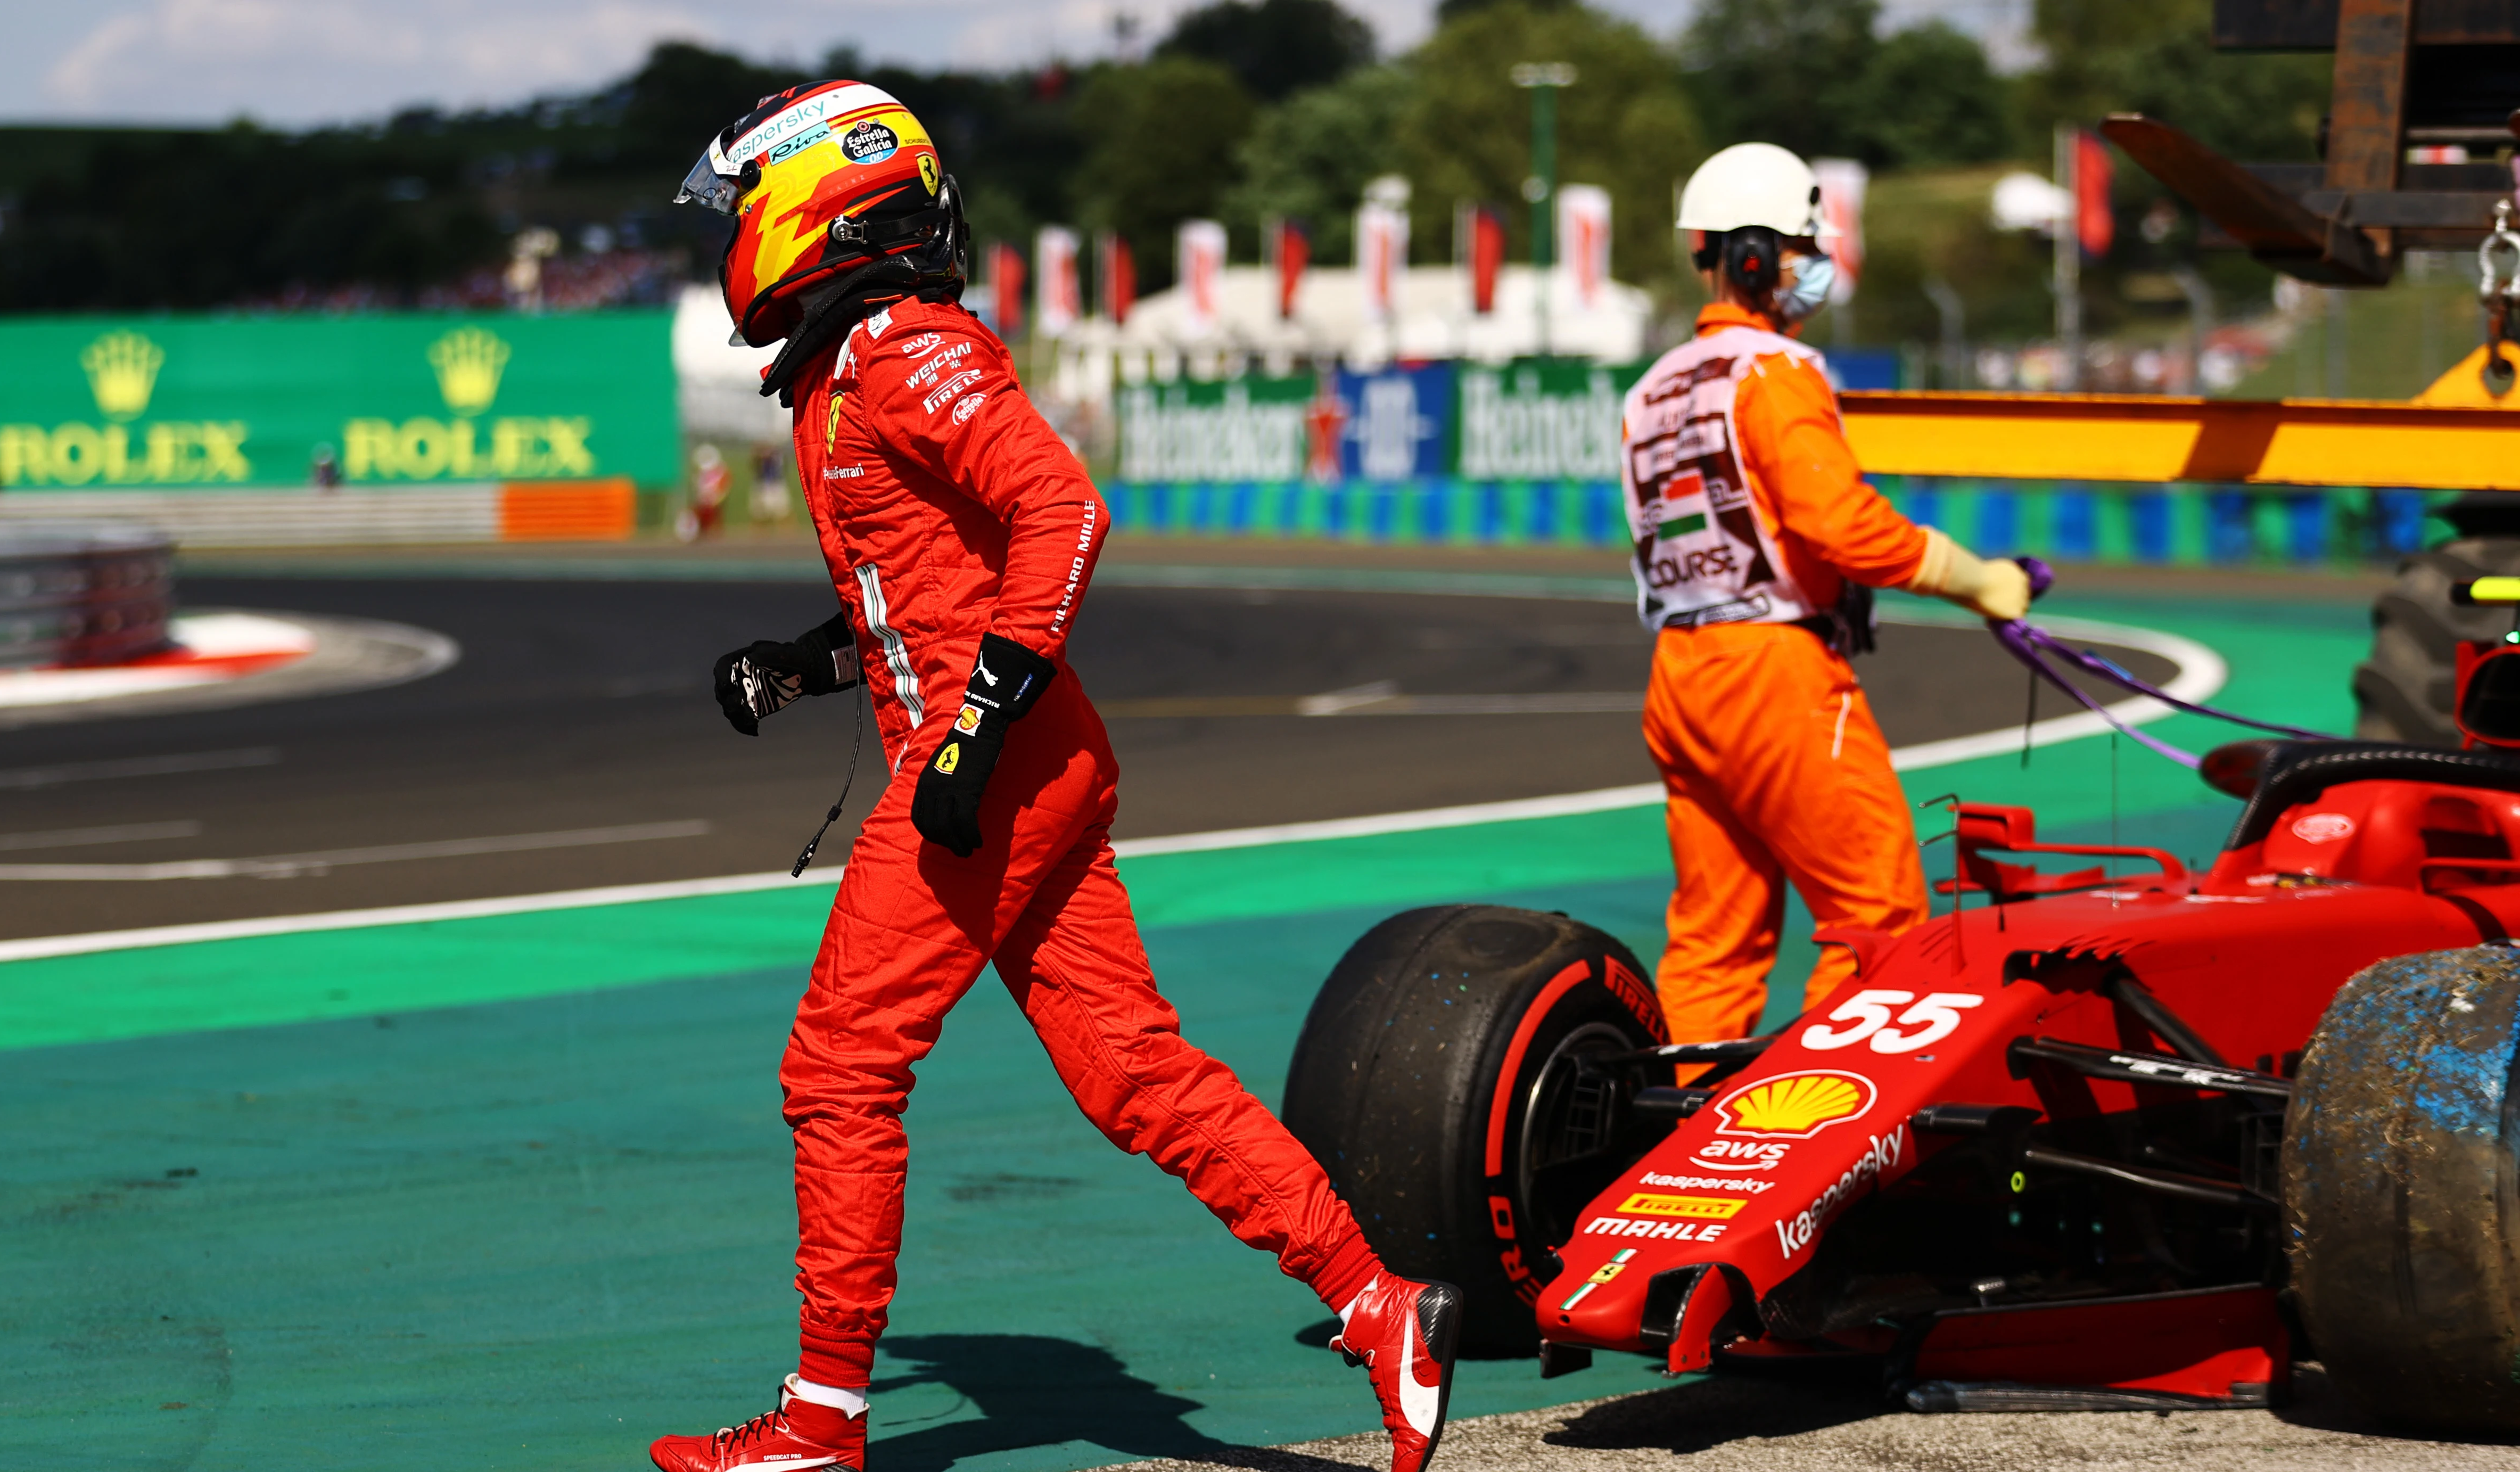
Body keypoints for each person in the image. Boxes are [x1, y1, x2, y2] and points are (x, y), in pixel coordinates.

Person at [654, 79, 1459, 1472]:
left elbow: (1062, 507)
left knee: (839, 1066)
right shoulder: (856, 366)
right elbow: (937, 591)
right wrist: (801, 665)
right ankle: (1382, 1303)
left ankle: (820, 1422)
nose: (719, 245)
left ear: (809, 209)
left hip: (995, 770)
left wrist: (975, 731)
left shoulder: (904, 348)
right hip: (1021, 757)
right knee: (1133, 1073)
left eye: (732, 215)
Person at [1622, 142, 2032, 1048]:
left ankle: (1683, 1119)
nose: (1816, 270)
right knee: (1877, 912)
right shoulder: (1774, 373)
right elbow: (1841, 526)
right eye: (1803, 249)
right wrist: (1979, 581)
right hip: (1773, 671)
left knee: (1713, 936)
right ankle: (1828, 1120)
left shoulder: (1649, 388)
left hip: (1680, 675)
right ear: (1757, 256)